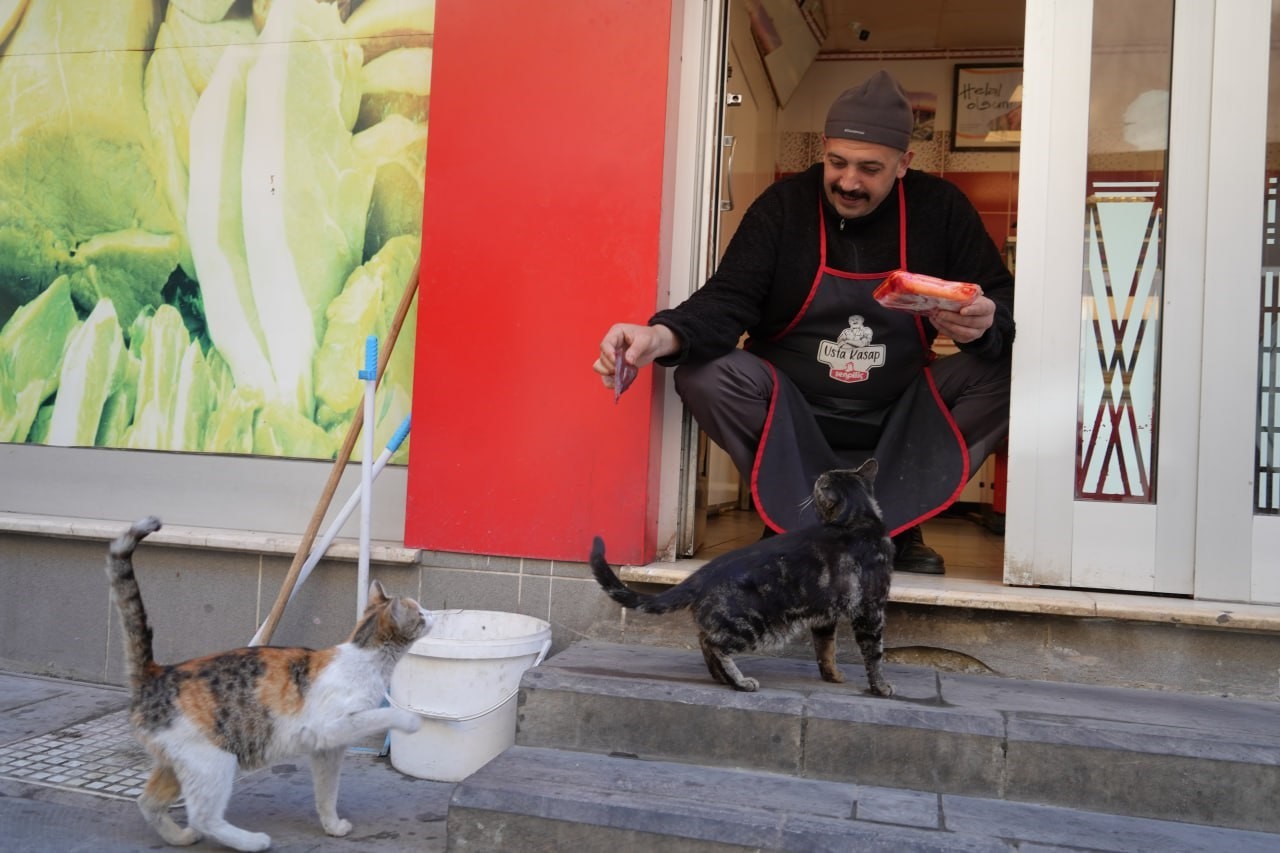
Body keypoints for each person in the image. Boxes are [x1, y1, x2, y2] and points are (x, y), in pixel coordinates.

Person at [593, 70, 1014, 574]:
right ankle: (796, 515)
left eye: (869, 168)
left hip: (901, 411)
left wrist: (987, 324)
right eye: (836, 163)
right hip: (793, 409)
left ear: (905, 163)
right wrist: (659, 335)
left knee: (1011, 369)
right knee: (703, 374)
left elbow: (1002, 301)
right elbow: (728, 300)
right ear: (823, 149)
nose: (848, 182)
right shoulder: (784, 206)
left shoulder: (940, 210)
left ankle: (891, 525)